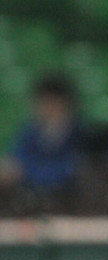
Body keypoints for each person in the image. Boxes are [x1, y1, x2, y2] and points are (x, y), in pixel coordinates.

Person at [0, 71, 86, 214]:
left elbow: (75, 170)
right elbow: (15, 160)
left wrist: (26, 172)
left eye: (48, 101)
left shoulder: (81, 135)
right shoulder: (30, 132)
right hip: (30, 204)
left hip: (70, 205)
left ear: (62, 102)